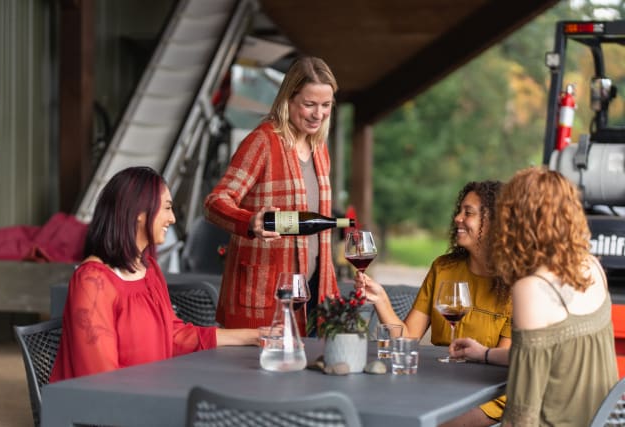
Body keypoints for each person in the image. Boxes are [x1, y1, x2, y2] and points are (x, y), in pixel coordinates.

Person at [50, 167, 258, 382]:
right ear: (139, 212)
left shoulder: (149, 269)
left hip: (150, 394)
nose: (173, 218)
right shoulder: (92, 281)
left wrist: (255, 335)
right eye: (167, 208)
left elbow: (175, 335)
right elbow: (100, 378)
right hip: (111, 407)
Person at [451, 167, 618, 426]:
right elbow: (548, 354)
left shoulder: (533, 288)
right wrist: (484, 354)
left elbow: (522, 413)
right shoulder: (592, 267)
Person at [355, 180, 512, 426]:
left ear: (494, 223)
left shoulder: (514, 284)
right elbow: (407, 339)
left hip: (486, 395)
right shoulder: (444, 268)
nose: (458, 218)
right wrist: (381, 299)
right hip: (436, 383)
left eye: (468, 213)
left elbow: (503, 366)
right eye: (459, 211)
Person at [204, 56, 340, 330]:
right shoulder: (262, 142)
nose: (318, 114)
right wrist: (250, 222)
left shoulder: (319, 148)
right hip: (267, 293)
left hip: (315, 291)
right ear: (288, 100)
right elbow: (215, 202)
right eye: (309, 104)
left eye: (326, 105)